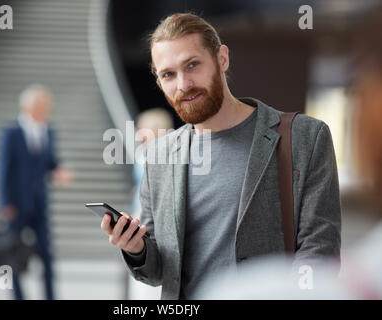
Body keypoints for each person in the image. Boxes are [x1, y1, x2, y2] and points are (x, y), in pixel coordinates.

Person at [100, 13, 341, 300]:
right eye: (168, 74)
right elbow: (159, 271)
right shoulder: (158, 156)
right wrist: (136, 249)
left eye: (193, 65)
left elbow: (320, 249)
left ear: (221, 59)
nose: (183, 84)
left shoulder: (305, 137)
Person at [0, 84, 72, 300]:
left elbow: (49, 162)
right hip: (16, 203)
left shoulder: (48, 130)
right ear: (30, 107)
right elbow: (4, 170)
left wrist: (58, 171)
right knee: (12, 255)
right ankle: (17, 296)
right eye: (44, 106)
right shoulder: (11, 132)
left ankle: (50, 296)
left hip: (39, 202)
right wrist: (5, 203)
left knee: (46, 254)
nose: (48, 110)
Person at [128, 108, 173, 300]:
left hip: (156, 215)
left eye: (143, 128)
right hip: (139, 211)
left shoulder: (168, 154)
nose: (139, 133)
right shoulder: (143, 154)